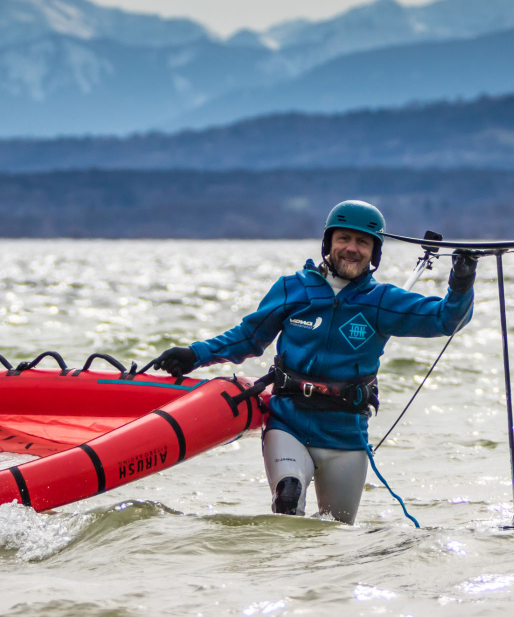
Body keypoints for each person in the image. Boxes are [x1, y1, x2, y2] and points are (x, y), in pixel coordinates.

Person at [150, 200, 477, 524]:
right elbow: (248, 338)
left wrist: (461, 283)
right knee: (288, 498)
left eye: (362, 242)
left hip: (346, 438)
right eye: (343, 239)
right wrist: (195, 355)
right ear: (328, 244)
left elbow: (446, 319)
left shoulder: (382, 302)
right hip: (289, 424)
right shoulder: (293, 289)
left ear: (374, 253)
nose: (352, 248)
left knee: (336, 533)